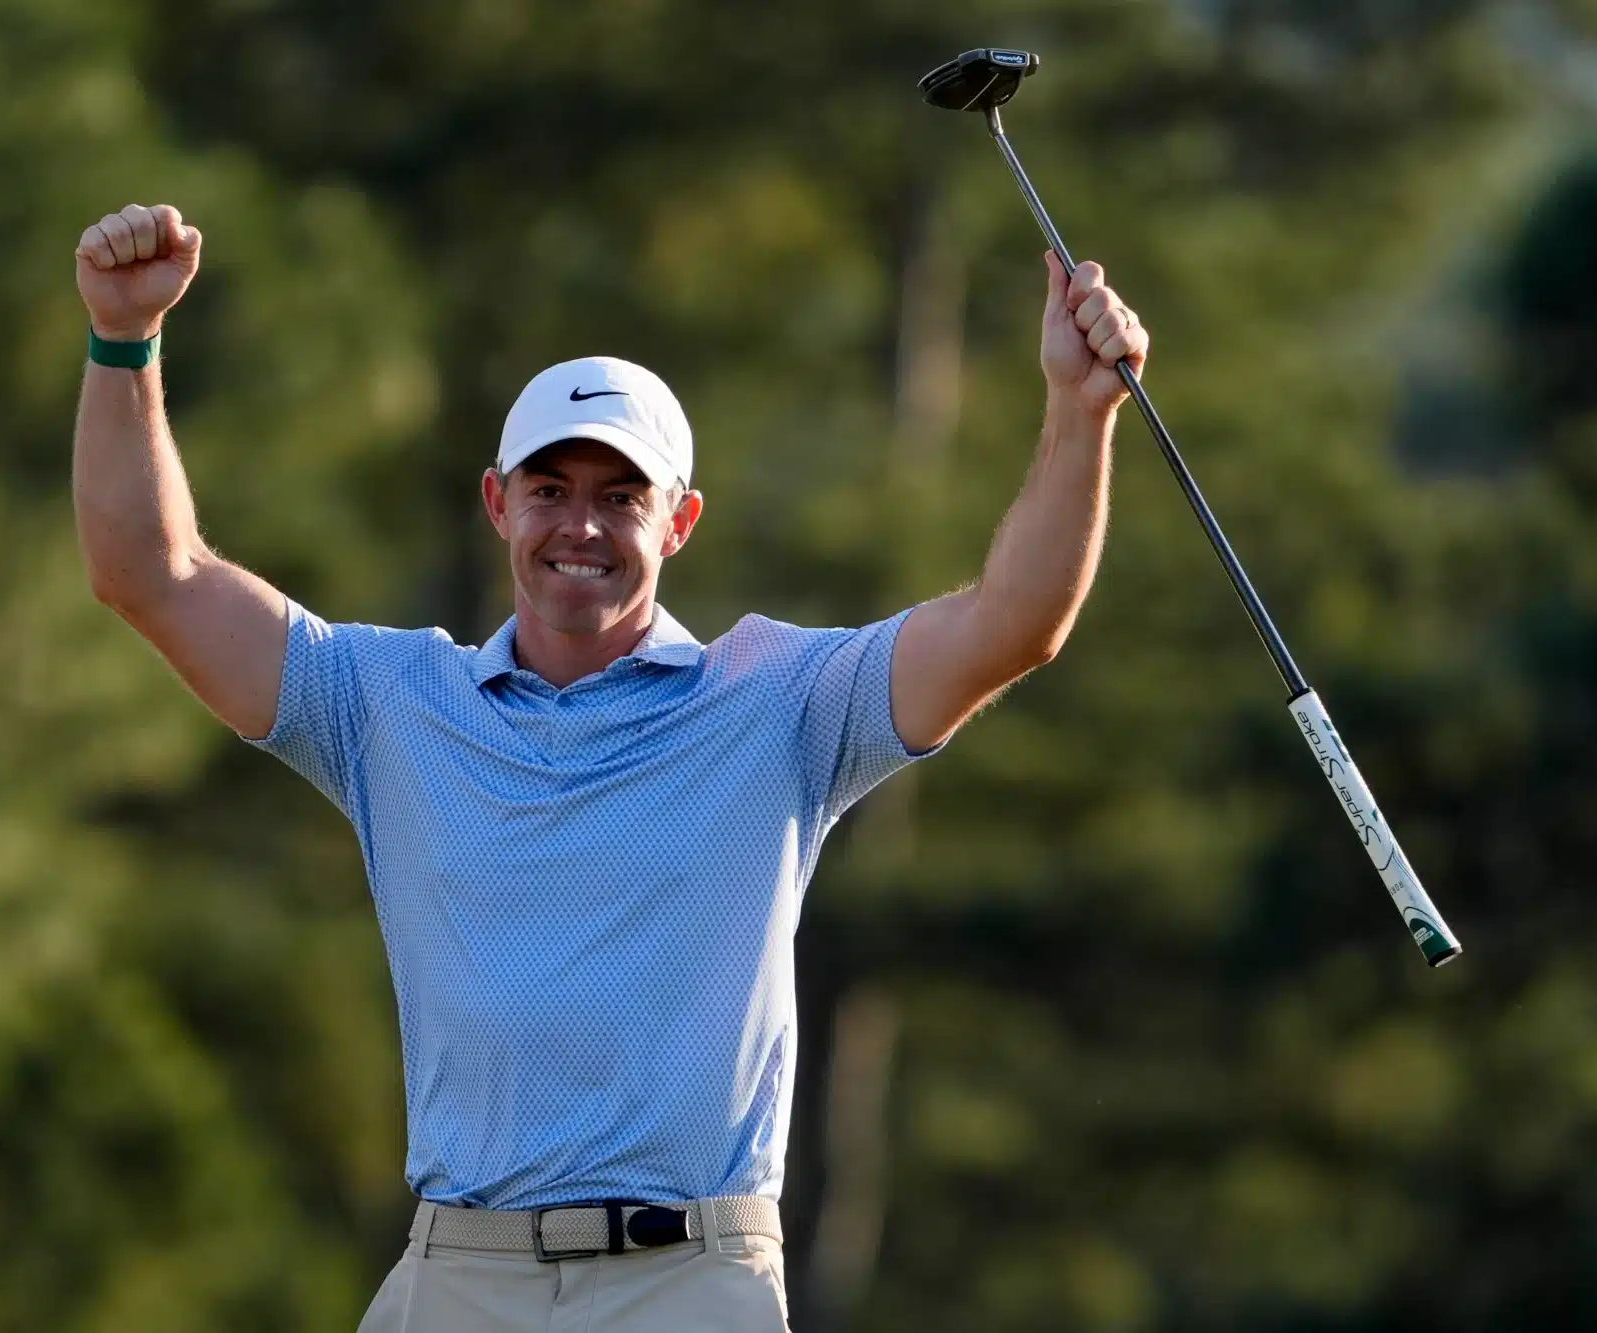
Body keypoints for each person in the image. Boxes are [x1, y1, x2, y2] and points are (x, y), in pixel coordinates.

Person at [72, 201, 1148, 1332]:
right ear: (498, 504)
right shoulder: (384, 704)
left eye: (618, 496)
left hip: (690, 1279)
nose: (577, 527)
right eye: (549, 490)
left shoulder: (780, 701)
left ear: (677, 521)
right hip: (457, 1273)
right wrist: (121, 342)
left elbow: (1013, 621)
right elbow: (151, 573)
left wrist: (1079, 417)